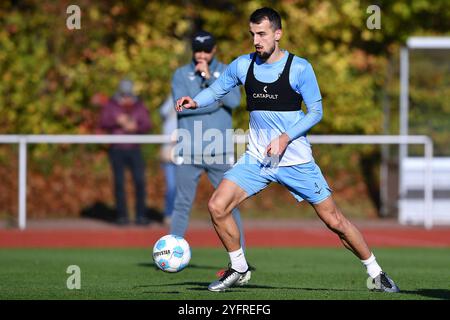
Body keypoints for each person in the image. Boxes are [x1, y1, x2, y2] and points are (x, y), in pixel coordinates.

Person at [175, 7, 400, 293]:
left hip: (295, 160)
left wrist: (285, 137)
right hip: (258, 158)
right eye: (252, 34)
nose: (256, 40)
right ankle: (239, 267)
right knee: (217, 206)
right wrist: (195, 101)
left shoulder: (300, 68)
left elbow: (316, 112)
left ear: (278, 34)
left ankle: (376, 272)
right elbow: (217, 90)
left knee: (335, 221)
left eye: (262, 34)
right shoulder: (243, 65)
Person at [170, 30, 247, 252]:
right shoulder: (181, 74)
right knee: (182, 204)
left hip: (219, 150)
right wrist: (213, 102)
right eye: (197, 51)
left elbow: (233, 101)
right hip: (189, 149)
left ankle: (240, 258)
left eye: (205, 50)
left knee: (229, 205)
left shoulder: (225, 72)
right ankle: (171, 252)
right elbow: (183, 108)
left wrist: (209, 79)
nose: (201, 55)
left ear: (214, 50)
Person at [99, 79, 152, 226]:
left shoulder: (139, 105)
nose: (126, 98)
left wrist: (136, 127)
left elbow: (147, 124)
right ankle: (122, 216)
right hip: (117, 149)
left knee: (139, 181)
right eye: (124, 95)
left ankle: (141, 215)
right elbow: (103, 121)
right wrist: (117, 121)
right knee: (119, 182)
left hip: (134, 149)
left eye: (129, 94)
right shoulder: (111, 105)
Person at [159, 94, 177, 225]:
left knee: (184, 187)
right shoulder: (171, 100)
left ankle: (180, 214)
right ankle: (169, 214)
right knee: (171, 186)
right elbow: (163, 112)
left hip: (185, 152)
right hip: (169, 151)